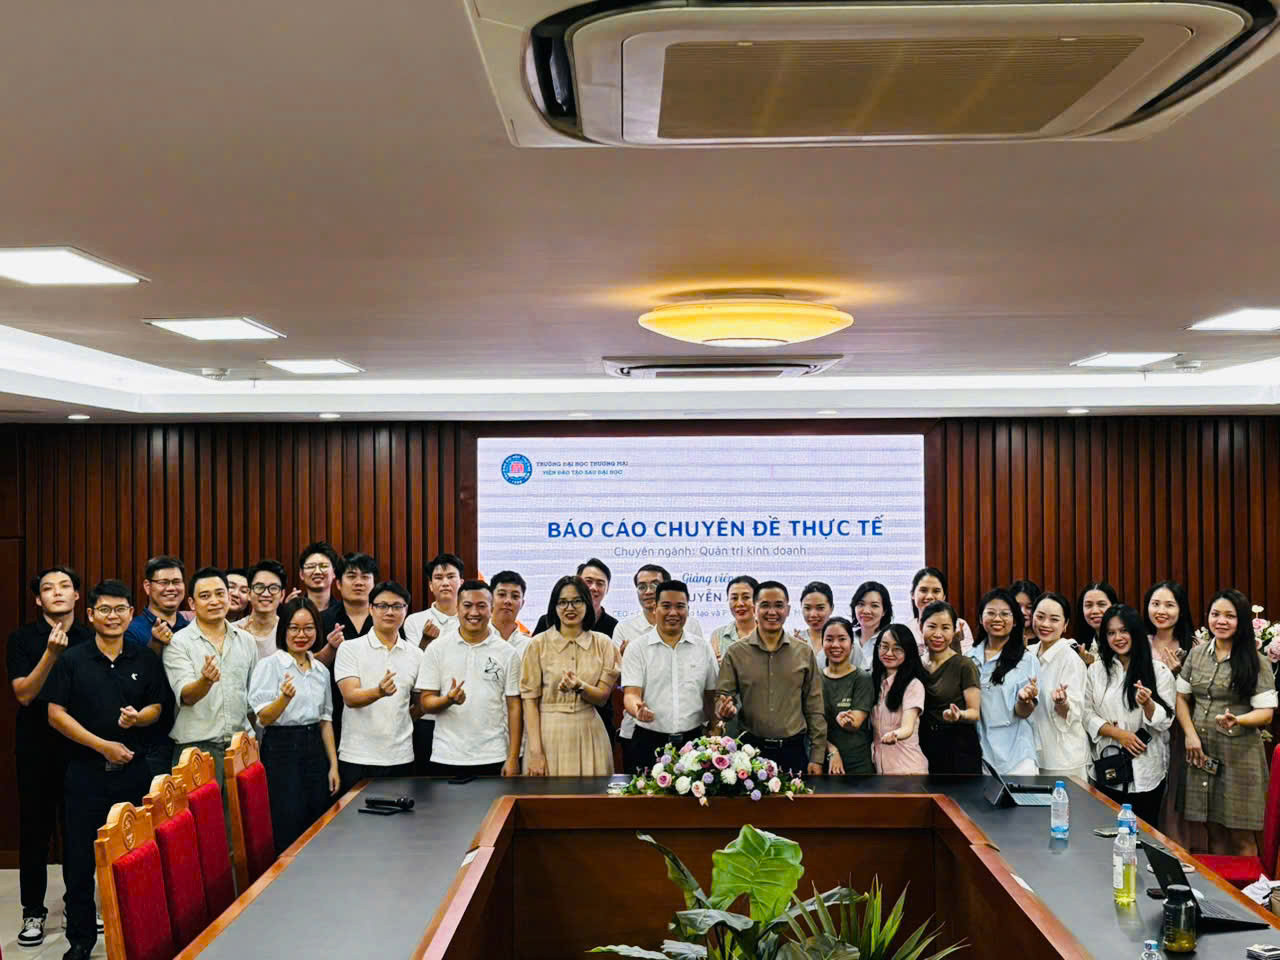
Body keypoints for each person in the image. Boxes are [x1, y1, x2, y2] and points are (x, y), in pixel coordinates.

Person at [46, 580, 168, 960]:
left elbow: (158, 707)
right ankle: (81, 941)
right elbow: (55, 714)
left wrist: (138, 718)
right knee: (79, 862)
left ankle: (139, 937)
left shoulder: (145, 658)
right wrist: (102, 745)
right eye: (104, 610)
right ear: (91, 614)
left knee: (136, 857)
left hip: (134, 773)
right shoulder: (72, 660)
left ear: (131, 614)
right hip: (85, 773)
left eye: (119, 610)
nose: (112, 616)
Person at [7, 566, 92, 948]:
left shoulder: (90, 637)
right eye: (48, 588)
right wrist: (51, 654)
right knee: (35, 833)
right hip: (36, 748)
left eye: (65, 586)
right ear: (38, 600)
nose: (57, 592)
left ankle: (78, 905)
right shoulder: (22, 639)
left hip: (80, 747)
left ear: (77, 596)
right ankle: (33, 912)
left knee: (79, 832)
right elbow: (25, 694)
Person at [1177, 589, 1276, 855]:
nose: (1221, 621)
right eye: (1215, 614)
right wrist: (1190, 735)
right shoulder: (1196, 655)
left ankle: (1248, 885)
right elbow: (1181, 698)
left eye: (1229, 616)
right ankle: (1219, 884)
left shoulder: (1257, 662)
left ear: (1241, 620)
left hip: (1240, 758)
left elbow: (1266, 713)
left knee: (1241, 835)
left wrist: (1239, 719)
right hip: (1202, 754)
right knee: (1213, 830)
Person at [164, 567, 258, 824]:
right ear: (192, 603)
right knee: (199, 830)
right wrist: (205, 681)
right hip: (196, 750)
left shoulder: (247, 641)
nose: (214, 601)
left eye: (220, 593)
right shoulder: (178, 643)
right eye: (205, 596)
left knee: (239, 829)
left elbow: (252, 698)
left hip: (240, 748)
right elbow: (186, 695)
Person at [248, 597, 339, 852]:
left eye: (308, 628)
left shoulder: (320, 670)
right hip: (281, 749)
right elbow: (263, 718)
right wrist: (284, 699)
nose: (301, 635)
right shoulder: (269, 665)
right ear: (283, 630)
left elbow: (325, 721)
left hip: (315, 749)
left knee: (318, 819)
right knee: (287, 820)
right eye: (294, 628)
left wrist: (333, 765)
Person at [715, 581, 826, 776]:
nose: (772, 612)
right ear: (754, 609)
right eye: (765, 605)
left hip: (793, 751)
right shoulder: (735, 653)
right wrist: (724, 710)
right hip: (751, 753)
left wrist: (817, 757)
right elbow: (722, 697)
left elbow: (815, 708)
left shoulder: (804, 652)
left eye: (779, 605)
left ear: (788, 610)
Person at [415, 580, 523, 778]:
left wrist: (513, 757)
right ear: (457, 608)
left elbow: (514, 707)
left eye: (481, 606)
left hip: (494, 755)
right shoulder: (437, 649)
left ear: (491, 609)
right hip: (446, 756)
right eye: (467, 605)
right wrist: (448, 700)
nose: (474, 612)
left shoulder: (507, 652)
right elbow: (425, 703)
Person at [1084, 604, 1177, 827]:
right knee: (1106, 832)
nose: (1118, 638)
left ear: (1135, 631)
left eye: (1124, 631)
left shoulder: (1159, 671)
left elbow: (1166, 720)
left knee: (1145, 834)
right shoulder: (1096, 670)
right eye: (1111, 632)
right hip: (1108, 766)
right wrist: (1119, 734)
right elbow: (1086, 713)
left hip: (1147, 770)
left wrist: (1148, 704)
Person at [521, 576, 620, 776]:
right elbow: (529, 701)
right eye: (563, 602)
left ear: (587, 604)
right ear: (554, 606)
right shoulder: (537, 644)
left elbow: (602, 698)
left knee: (592, 795)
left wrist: (579, 686)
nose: (570, 608)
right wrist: (535, 752)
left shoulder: (603, 644)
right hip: (548, 734)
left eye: (577, 601)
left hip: (590, 734)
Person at [614, 564, 705, 772]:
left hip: (687, 731)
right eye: (641, 586)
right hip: (639, 730)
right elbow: (622, 684)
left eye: (654, 585)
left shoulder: (692, 626)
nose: (647, 591)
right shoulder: (625, 629)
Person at [334, 581, 422, 793]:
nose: (390, 612)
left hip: (401, 757)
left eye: (397, 606)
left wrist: (400, 720)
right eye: (382, 606)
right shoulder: (350, 648)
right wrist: (379, 692)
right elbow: (350, 697)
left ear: (406, 610)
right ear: (371, 609)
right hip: (357, 757)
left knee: (401, 814)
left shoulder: (416, 654)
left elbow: (420, 705)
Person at [1144, 580, 1201, 848]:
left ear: (1181, 609)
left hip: (1181, 732)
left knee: (1178, 796)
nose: (1161, 611)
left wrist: (1178, 673)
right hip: (1146, 732)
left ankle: (1182, 852)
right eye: (1155, 604)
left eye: (1169, 605)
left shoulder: (1195, 646)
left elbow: (1202, 695)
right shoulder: (1140, 643)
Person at [403, 552, 464, 772]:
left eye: (451, 576)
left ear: (461, 582)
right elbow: (412, 667)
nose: (445, 582)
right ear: (430, 585)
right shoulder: (414, 621)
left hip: (463, 714)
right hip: (426, 716)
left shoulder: (472, 619)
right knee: (427, 782)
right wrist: (425, 642)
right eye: (438, 578)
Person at [968, 588, 1039, 775]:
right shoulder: (968, 658)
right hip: (980, 754)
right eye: (991, 613)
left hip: (1017, 757)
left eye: (1005, 614)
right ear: (980, 618)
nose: (997, 619)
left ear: (1015, 621)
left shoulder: (1027, 660)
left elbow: (1024, 712)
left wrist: (1024, 699)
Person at [1027, 592, 1089, 779]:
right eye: (1040, 617)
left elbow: (1075, 713)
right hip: (1032, 755)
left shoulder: (1071, 659)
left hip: (1063, 759)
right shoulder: (1028, 653)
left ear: (1065, 625)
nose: (1045, 624)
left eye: (1054, 619)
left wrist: (1062, 703)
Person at [918, 600, 982, 775]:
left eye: (945, 628)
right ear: (921, 627)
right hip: (924, 745)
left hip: (958, 748)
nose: (938, 634)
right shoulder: (916, 665)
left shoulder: (965, 665)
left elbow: (974, 712)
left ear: (954, 631)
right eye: (932, 626)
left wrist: (959, 715)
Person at [870, 623, 929, 774]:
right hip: (881, 770)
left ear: (908, 651)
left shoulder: (913, 685)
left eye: (897, 648)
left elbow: (908, 727)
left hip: (908, 770)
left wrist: (895, 734)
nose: (889, 653)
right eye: (884, 646)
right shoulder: (875, 682)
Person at [819, 617, 874, 776]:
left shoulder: (862, 678)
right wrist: (831, 750)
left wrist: (846, 721)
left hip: (857, 764)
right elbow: (811, 727)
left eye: (842, 639)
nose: (835, 645)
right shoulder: (815, 679)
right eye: (829, 639)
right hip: (822, 762)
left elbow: (855, 723)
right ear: (822, 643)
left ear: (851, 644)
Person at [533, 558, 619, 637]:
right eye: (588, 581)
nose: (593, 588)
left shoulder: (614, 627)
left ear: (607, 589)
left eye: (600, 583)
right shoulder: (548, 621)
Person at [124, 554, 190, 655]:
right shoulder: (131, 631)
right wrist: (155, 645)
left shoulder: (192, 628)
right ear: (147, 587)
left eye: (176, 582)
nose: (171, 588)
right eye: (164, 582)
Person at [908, 567, 974, 656]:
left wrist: (955, 644)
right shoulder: (907, 630)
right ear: (912, 594)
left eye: (936, 591)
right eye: (923, 590)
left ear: (944, 597)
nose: (929, 596)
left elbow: (967, 662)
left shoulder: (959, 625)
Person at [236, 559, 287, 660]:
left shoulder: (289, 632)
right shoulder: (233, 630)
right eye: (259, 587)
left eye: (273, 588)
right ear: (249, 594)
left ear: (282, 595)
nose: (266, 594)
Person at [709, 575, 757, 662]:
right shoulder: (719, 635)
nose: (740, 603)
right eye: (734, 598)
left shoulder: (770, 634)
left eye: (746, 597)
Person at [850, 580, 893, 672]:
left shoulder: (891, 641)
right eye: (861, 604)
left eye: (874, 606)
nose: (866, 611)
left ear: (884, 611)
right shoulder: (848, 638)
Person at [1074, 580, 1119, 666]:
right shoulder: (1079, 646)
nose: (1095, 611)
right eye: (1088, 605)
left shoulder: (1123, 642)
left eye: (1101, 604)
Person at [490, 570, 532, 657]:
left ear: (522, 603)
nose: (508, 601)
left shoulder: (529, 645)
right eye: (502, 594)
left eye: (515, 596)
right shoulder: (476, 638)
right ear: (490, 599)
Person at [794, 581, 834, 669]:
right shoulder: (793, 640)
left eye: (820, 608)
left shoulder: (845, 642)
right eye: (807, 608)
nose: (813, 614)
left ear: (831, 608)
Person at [297, 541, 341, 612]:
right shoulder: (294, 611)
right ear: (301, 574)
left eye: (324, 566)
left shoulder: (344, 612)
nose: (317, 572)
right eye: (311, 566)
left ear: (334, 572)